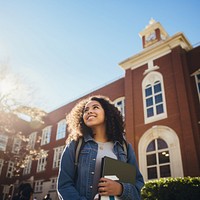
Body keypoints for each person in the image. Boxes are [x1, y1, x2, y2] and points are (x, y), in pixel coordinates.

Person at [57, 95, 144, 200]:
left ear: (107, 113)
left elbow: (138, 185)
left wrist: (121, 189)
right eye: (86, 110)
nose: (89, 111)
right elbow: (64, 186)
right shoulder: (75, 146)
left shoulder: (124, 147)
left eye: (95, 107)